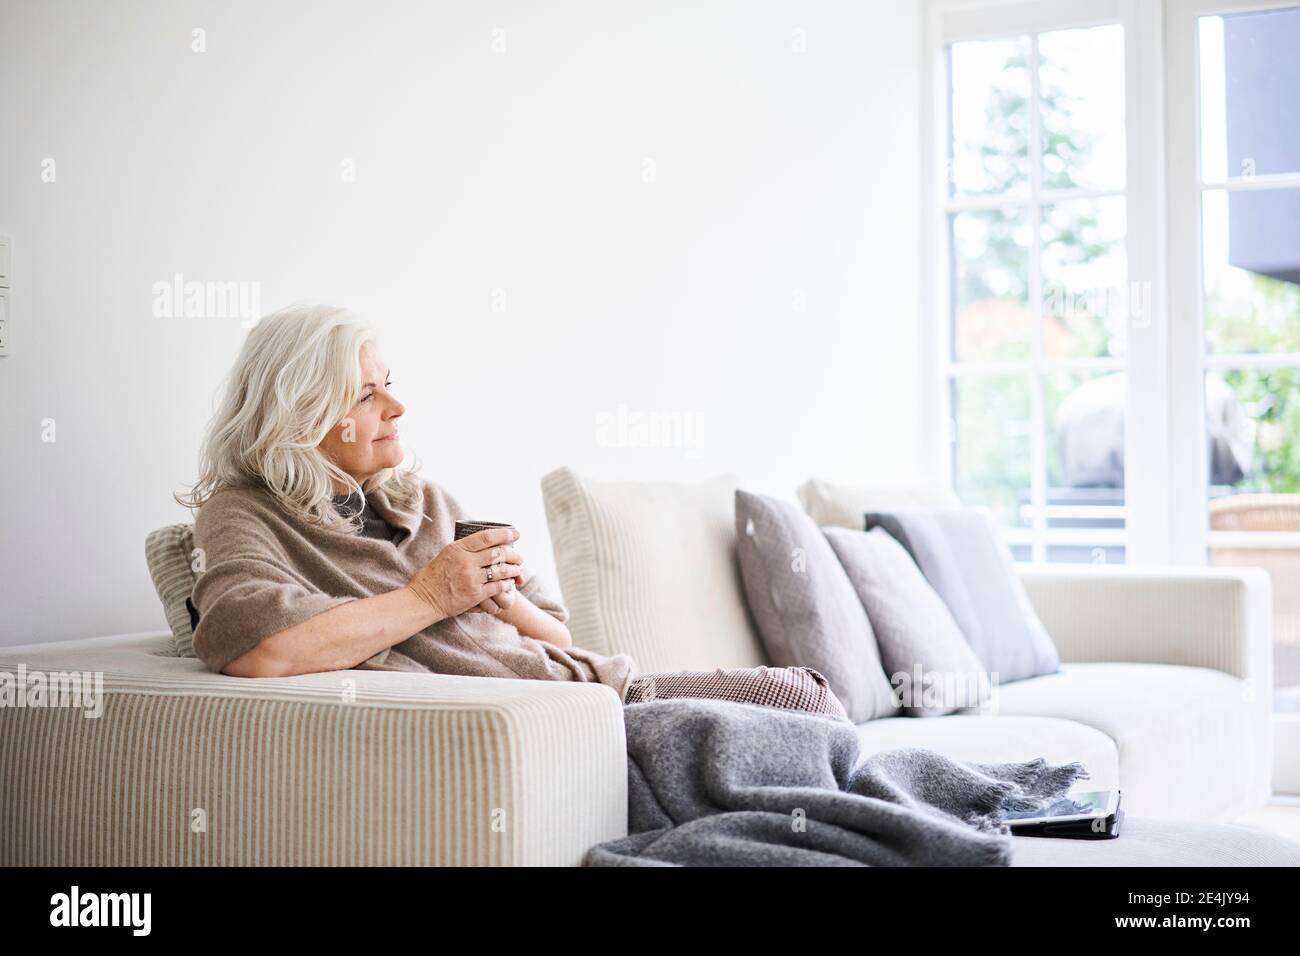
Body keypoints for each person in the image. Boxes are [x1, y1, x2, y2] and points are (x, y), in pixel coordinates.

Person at [176, 304, 846, 720]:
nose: (397, 409)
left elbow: (560, 637)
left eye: (391, 387)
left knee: (806, 698)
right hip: (552, 720)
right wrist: (433, 595)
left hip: (596, 692)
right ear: (300, 410)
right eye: (366, 396)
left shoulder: (424, 501)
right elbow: (252, 646)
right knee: (801, 701)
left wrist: (499, 599)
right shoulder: (243, 515)